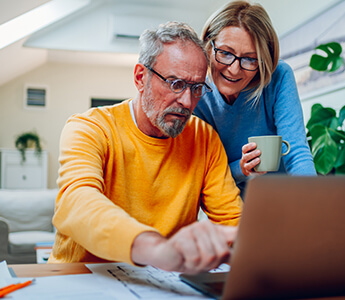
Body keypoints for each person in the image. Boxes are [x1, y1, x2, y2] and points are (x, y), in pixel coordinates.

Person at [48, 22, 243, 275]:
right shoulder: (90, 127)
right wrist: (158, 250)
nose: (187, 101)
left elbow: (233, 223)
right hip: (81, 279)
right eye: (175, 84)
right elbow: (76, 202)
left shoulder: (204, 138)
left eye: (196, 88)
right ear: (141, 77)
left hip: (163, 283)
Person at [193, 1, 316, 193]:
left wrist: (316, 201)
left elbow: (297, 153)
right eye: (225, 53)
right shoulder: (196, 93)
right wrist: (240, 168)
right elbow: (202, 175)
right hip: (230, 209)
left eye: (250, 59)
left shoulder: (278, 76)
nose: (234, 70)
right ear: (209, 45)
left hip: (285, 199)